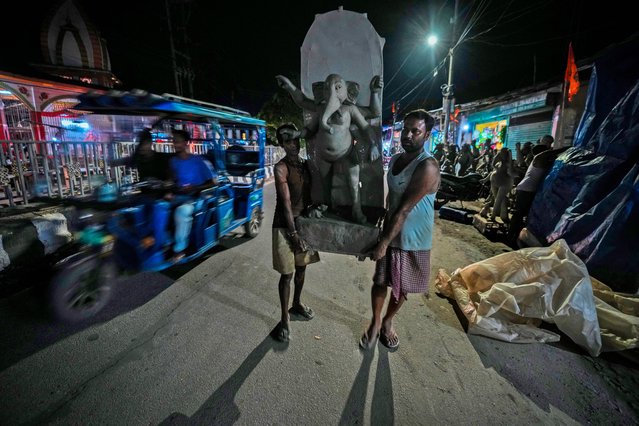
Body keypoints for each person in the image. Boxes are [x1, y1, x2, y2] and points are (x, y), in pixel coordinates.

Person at [360, 109, 441, 351]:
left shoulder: (427, 166)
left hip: (413, 238)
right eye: (405, 129)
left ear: (426, 135)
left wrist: (384, 242)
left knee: (401, 287)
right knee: (380, 280)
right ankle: (375, 323)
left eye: (415, 131)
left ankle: (387, 322)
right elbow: (392, 200)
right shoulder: (395, 159)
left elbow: (405, 208)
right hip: (391, 228)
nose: (407, 135)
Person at [271, 124, 320, 342]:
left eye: (294, 139)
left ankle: (297, 303)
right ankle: (284, 319)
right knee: (287, 275)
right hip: (285, 226)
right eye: (287, 140)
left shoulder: (306, 165)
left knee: (301, 270)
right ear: (281, 144)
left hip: (305, 224)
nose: (293, 144)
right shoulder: (281, 168)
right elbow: (286, 204)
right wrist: (294, 235)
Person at [165, 129, 218, 261]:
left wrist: (195, 187)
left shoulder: (198, 161)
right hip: (179, 196)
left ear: (185, 143)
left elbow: (213, 183)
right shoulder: (173, 161)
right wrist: (168, 188)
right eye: (173, 141)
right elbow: (172, 180)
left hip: (196, 198)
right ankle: (163, 242)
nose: (175, 144)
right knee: (159, 206)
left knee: (181, 212)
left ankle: (179, 249)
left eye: (177, 141)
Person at [508, 143, 570, 244]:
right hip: (525, 189)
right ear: (543, 151)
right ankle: (511, 236)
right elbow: (554, 152)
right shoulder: (539, 157)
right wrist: (569, 147)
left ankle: (517, 236)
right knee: (519, 214)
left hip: (529, 190)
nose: (549, 150)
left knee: (524, 214)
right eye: (547, 149)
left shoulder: (543, 160)